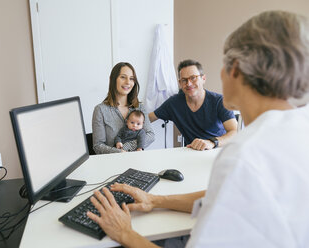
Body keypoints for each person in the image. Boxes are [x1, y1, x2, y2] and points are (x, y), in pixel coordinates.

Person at [87, 10, 309, 247]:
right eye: (184, 80)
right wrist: (155, 200)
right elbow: (221, 197)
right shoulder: (300, 128)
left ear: (233, 69)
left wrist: (125, 234)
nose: (189, 84)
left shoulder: (242, 157)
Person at [149, 59, 237, 151]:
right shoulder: (173, 103)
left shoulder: (219, 101)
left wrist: (212, 142)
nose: (189, 83)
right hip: (191, 152)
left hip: (217, 151)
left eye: (193, 78)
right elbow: (147, 119)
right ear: (180, 83)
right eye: (184, 80)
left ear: (203, 78)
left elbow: (234, 132)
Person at [92, 62, 155, 154]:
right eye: (123, 77)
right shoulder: (100, 110)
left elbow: (151, 135)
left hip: (137, 160)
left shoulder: (140, 107)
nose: (128, 82)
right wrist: (119, 152)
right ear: (112, 79)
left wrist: (126, 147)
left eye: (131, 78)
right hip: (113, 162)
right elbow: (98, 146)